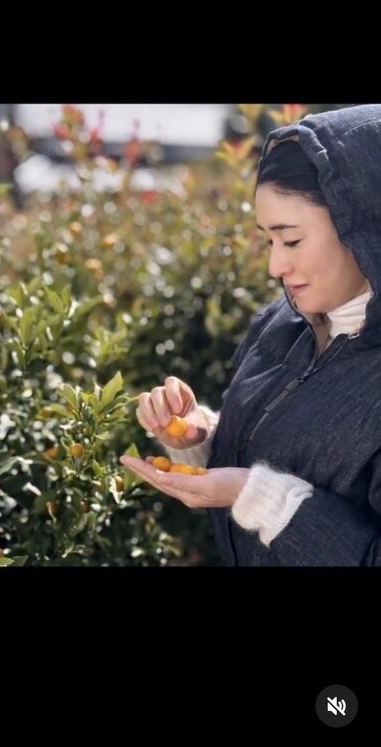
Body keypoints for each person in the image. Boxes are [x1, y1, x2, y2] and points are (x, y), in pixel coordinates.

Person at [120, 103, 381, 566]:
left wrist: (257, 495)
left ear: (363, 228)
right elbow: (278, 448)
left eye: (293, 240)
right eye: (268, 240)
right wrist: (199, 436)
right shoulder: (283, 324)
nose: (275, 267)